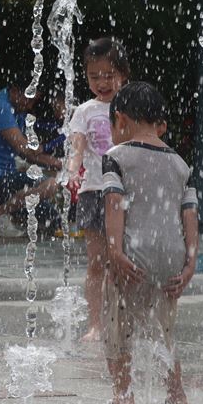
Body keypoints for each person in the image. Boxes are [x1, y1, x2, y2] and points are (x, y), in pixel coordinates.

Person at [102, 81, 198, 404]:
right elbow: (190, 215)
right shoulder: (181, 164)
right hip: (172, 256)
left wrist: (114, 250)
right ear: (159, 122)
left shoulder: (116, 157)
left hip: (132, 254)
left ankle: (123, 395)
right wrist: (191, 263)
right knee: (164, 330)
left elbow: (114, 202)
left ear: (122, 120)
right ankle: (176, 394)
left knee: (117, 327)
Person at [66, 37, 130, 341]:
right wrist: (71, 171)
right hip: (94, 190)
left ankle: (124, 318)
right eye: (94, 76)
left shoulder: (131, 104)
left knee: (125, 260)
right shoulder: (84, 111)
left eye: (109, 75)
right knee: (96, 262)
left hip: (126, 193)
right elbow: (77, 147)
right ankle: (96, 323)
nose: (102, 82)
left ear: (123, 73)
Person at [0, 79, 63, 237]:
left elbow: (27, 153)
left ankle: (10, 210)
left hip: (8, 177)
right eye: (29, 99)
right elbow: (24, 149)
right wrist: (60, 164)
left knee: (54, 221)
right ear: (15, 91)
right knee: (49, 184)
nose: (30, 105)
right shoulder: (1, 106)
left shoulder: (16, 107)